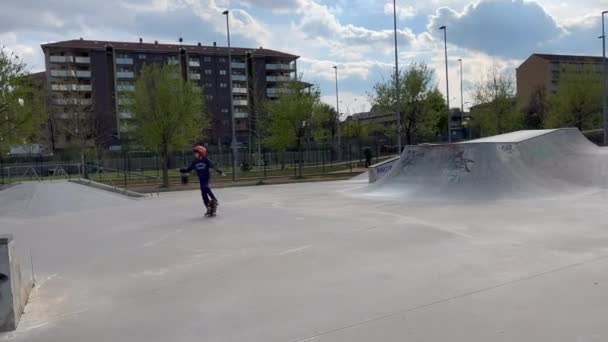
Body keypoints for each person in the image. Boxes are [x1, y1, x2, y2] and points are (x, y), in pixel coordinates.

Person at [180, 146, 224, 216]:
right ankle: (209, 209)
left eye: (196, 153)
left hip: (206, 178)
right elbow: (189, 169)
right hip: (201, 179)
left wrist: (220, 172)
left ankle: (214, 199)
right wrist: (183, 170)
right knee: (203, 195)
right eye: (195, 153)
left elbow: (213, 166)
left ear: (201, 153)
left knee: (206, 187)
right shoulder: (195, 161)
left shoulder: (206, 160)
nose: (195, 154)